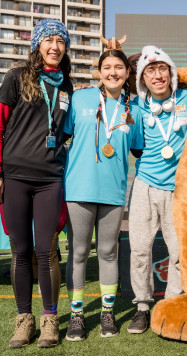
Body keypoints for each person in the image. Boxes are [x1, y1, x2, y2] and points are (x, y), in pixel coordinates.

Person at [64, 40, 144, 341]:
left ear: (126, 73)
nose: (112, 72)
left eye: (118, 68)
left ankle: (107, 314)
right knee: (79, 252)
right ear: (99, 72)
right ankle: (76, 316)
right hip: (78, 189)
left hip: (113, 193)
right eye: (107, 67)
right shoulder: (80, 99)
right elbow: (64, 137)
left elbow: (138, 150)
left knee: (109, 252)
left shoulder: (132, 107)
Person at [0, 18, 73, 348]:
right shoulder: (16, 78)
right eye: (49, 40)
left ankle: (49, 321)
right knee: (20, 251)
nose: (55, 46)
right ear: (37, 45)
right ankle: (23, 320)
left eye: (61, 41)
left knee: (47, 252)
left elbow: (67, 131)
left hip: (49, 180)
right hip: (15, 177)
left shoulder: (67, 86)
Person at [127, 46, 187, 334]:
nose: (157, 75)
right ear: (142, 79)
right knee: (140, 250)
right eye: (150, 71)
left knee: (180, 252)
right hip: (145, 184)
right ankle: (143, 307)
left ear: (170, 73)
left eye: (161, 69)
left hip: (180, 188)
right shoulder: (135, 107)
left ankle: (171, 304)